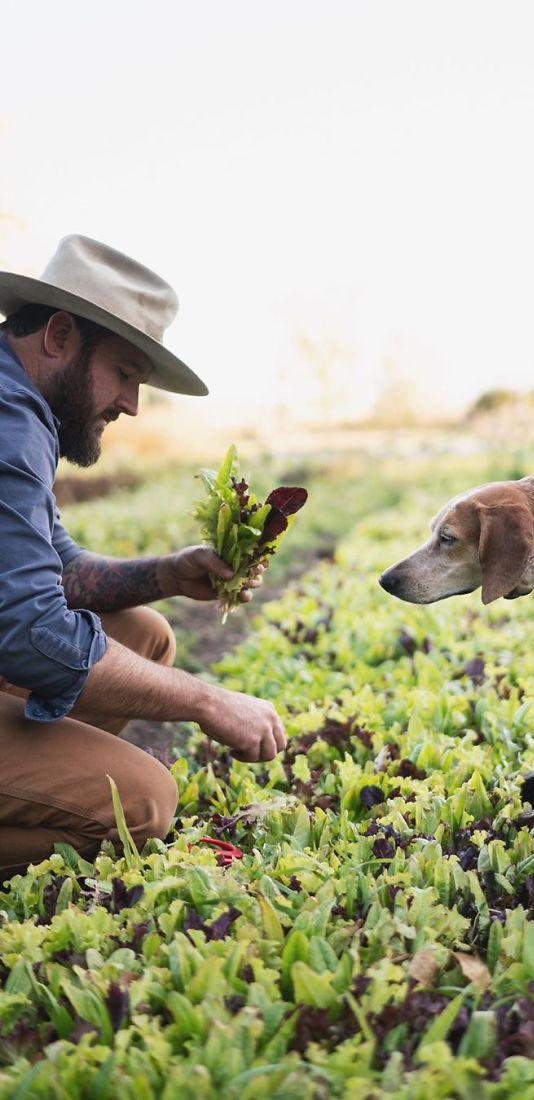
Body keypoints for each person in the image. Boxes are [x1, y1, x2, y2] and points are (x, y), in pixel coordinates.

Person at [0, 235, 287, 883]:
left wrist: (168, 574)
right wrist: (208, 702)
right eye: (126, 372)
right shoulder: (8, 422)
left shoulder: (19, 405)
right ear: (60, 335)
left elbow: (59, 572)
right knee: (142, 802)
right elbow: (33, 633)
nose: (131, 403)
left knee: (143, 633)